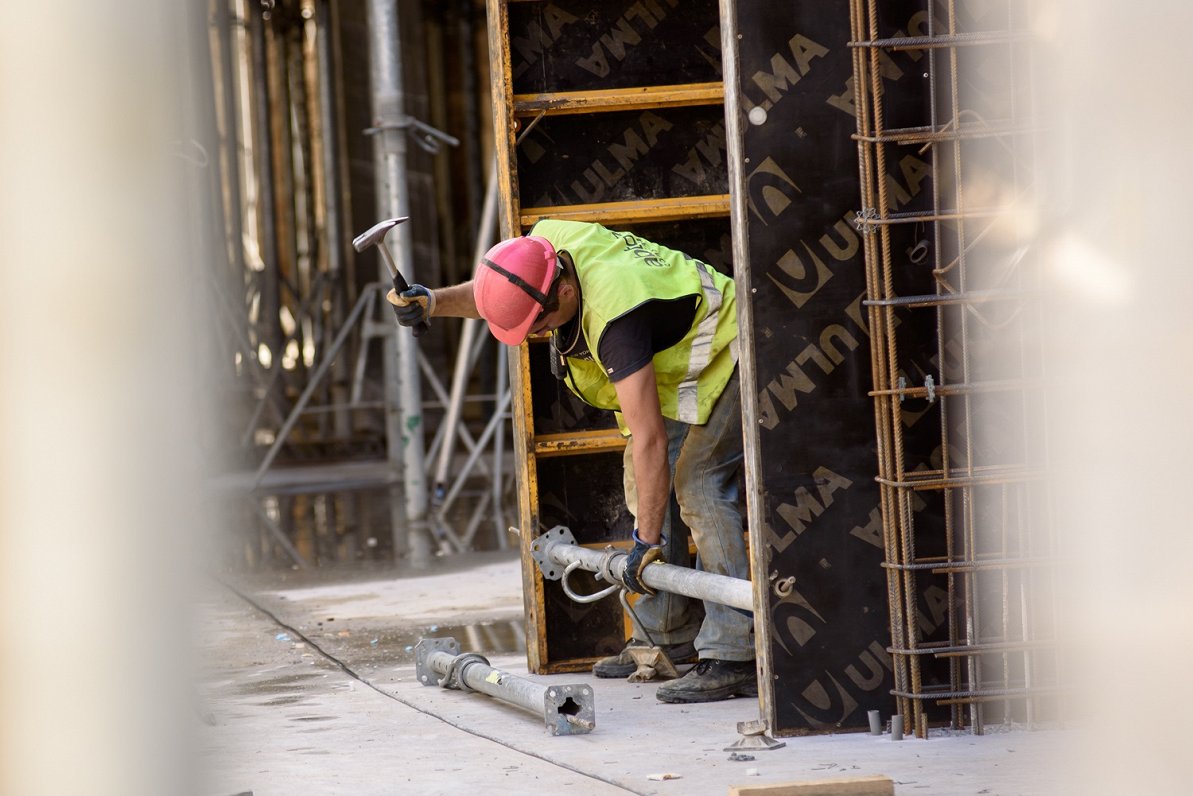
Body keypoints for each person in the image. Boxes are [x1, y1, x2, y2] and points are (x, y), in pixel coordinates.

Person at [389, 219, 754, 703]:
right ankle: (668, 636)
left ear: (564, 292)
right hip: (684, 360)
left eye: (539, 326)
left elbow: (649, 439)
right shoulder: (542, 248)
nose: (537, 334)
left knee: (697, 484)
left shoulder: (617, 320)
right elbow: (501, 291)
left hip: (734, 344)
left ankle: (734, 654)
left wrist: (644, 544)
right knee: (641, 483)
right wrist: (433, 301)